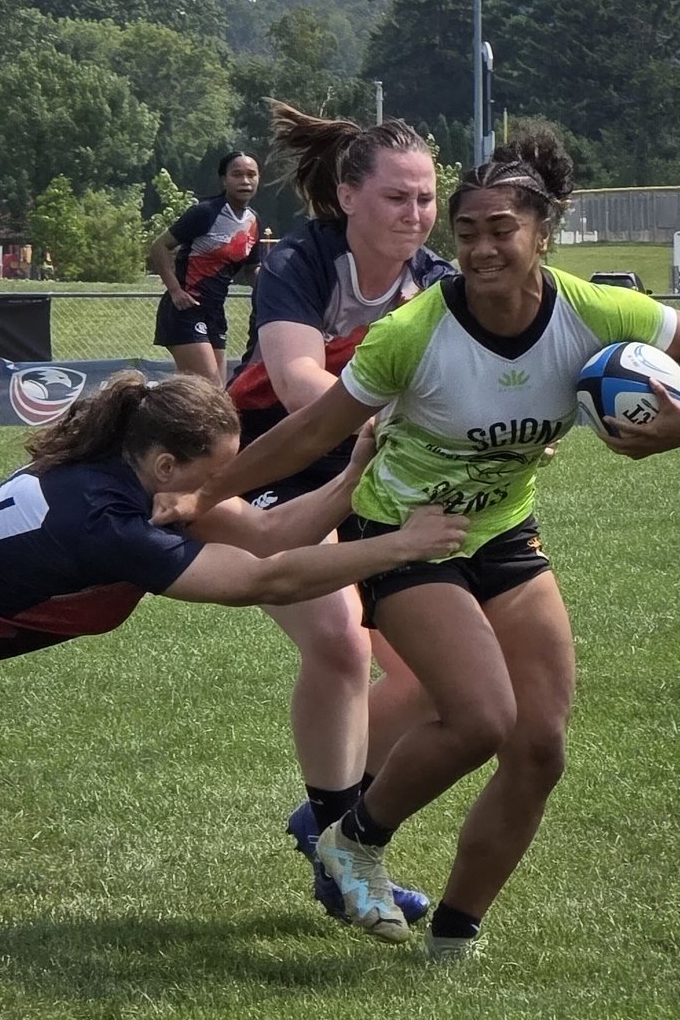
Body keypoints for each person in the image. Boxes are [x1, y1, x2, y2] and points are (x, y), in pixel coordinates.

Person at [154, 127, 680, 957]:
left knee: (538, 747)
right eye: (466, 232)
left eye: (500, 228)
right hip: (401, 528)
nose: (480, 246)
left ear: (543, 233)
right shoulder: (412, 329)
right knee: (478, 716)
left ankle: (454, 940)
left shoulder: (593, 309)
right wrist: (204, 492)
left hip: (500, 529)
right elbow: (305, 421)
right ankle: (349, 834)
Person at [219, 100, 453, 924]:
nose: (415, 214)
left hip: (372, 473)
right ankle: (338, 844)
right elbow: (296, 388)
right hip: (267, 460)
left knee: (435, 683)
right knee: (337, 643)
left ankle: (330, 821)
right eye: (398, 197)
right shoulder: (302, 262)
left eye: (425, 199)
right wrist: (400, 425)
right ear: (349, 196)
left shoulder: (438, 282)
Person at [0, 371, 467, 678]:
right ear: (166, 466)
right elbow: (268, 579)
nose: (230, 483)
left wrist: (356, 473)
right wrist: (404, 545)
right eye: (220, 472)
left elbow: (270, 537)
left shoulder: (127, 470)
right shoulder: (109, 524)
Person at [150, 152, 262, 385]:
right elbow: (159, 246)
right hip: (185, 311)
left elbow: (252, 270)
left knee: (215, 395)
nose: (245, 181)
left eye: (251, 175)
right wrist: (175, 290)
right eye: (237, 175)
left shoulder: (253, 220)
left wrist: (274, 290)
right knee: (208, 389)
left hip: (215, 312)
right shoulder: (206, 213)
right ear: (224, 179)